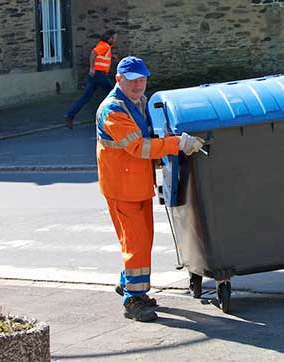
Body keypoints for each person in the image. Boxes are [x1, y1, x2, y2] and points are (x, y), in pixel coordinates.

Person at [96, 56, 204, 321]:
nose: (138, 85)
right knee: (137, 244)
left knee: (141, 241)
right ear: (118, 79)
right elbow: (139, 147)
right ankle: (133, 300)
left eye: (142, 79)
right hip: (122, 188)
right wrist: (177, 143)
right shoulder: (113, 110)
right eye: (132, 80)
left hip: (137, 185)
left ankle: (128, 283)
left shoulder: (139, 102)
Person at [64, 30, 118, 129]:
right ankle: (115, 117)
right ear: (109, 38)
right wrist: (92, 68)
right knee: (115, 94)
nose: (115, 40)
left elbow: (99, 56)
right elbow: (93, 53)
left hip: (95, 75)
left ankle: (70, 116)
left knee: (86, 97)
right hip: (99, 74)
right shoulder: (105, 46)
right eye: (114, 38)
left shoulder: (104, 46)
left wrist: (111, 57)